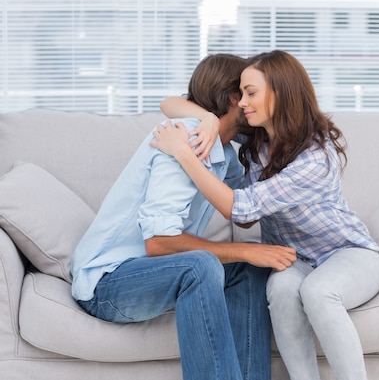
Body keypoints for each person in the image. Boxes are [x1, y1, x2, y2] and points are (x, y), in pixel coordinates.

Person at [151, 49, 379, 380]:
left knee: (317, 292)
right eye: (242, 94)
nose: (243, 103)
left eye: (251, 93)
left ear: (281, 93)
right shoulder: (259, 134)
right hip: (295, 258)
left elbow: (243, 208)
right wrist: (206, 120)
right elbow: (169, 103)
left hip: (348, 253)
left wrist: (184, 154)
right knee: (279, 289)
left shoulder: (315, 159)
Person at [70, 53, 297, 380]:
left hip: (154, 271)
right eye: (248, 93)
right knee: (201, 264)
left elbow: (243, 214)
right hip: (108, 283)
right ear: (235, 98)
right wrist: (247, 249)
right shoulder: (183, 137)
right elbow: (159, 243)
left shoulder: (226, 153)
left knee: (248, 272)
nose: (253, 102)